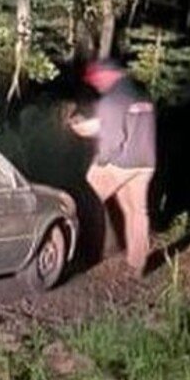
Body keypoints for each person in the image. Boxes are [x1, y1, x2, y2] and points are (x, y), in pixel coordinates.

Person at [69, 58, 156, 277]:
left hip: (121, 163)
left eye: (96, 78)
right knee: (136, 211)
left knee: (83, 201)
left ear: (108, 74)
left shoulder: (111, 100)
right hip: (145, 162)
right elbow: (122, 124)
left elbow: (114, 138)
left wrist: (102, 160)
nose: (96, 84)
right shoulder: (140, 93)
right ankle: (137, 265)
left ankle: (81, 255)